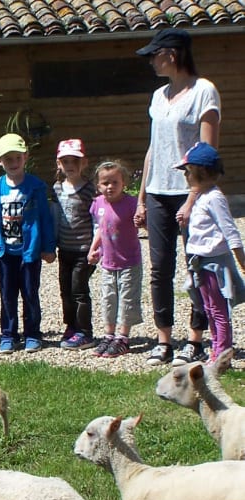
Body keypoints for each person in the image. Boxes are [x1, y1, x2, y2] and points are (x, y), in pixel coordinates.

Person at [134, 27, 220, 366]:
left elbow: (208, 153)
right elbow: (154, 148)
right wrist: (141, 197)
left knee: (195, 267)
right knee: (160, 268)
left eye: (154, 55)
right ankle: (164, 338)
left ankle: (196, 338)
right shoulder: (158, 96)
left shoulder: (204, 92)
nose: (152, 62)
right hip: (157, 192)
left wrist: (193, 197)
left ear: (171, 54)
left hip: (190, 193)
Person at [0, 133, 56, 354]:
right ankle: (9, 334)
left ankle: (32, 334)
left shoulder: (36, 187)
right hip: (6, 253)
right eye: (8, 159)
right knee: (7, 294)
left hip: (29, 252)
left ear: (25, 157)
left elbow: (45, 218)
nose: (13, 163)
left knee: (30, 293)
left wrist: (49, 247)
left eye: (17, 158)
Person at [175, 142, 245, 364]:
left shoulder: (214, 197)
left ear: (201, 171)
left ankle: (222, 355)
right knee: (208, 308)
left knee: (218, 310)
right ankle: (217, 349)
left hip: (214, 264)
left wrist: (241, 260)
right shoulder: (202, 197)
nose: (186, 175)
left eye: (188, 170)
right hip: (200, 263)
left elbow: (229, 229)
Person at [87, 160, 143, 358]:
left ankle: (123, 337)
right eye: (105, 183)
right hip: (108, 262)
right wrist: (94, 249)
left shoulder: (131, 204)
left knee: (127, 299)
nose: (110, 187)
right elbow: (101, 230)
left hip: (129, 261)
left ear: (123, 183)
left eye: (114, 182)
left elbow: (142, 224)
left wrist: (142, 221)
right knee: (109, 298)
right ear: (98, 185)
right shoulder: (98, 204)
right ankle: (109, 335)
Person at [53, 139, 97, 350]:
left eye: (74, 161)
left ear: (84, 163)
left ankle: (85, 331)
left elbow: (97, 219)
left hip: (83, 250)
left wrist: (96, 247)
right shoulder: (57, 188)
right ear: (59, 164)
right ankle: (71, 326)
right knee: (65, 291)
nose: (70, 165)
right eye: (65, 161)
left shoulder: (90, 190)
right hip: (65, 249)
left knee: (79, 290)